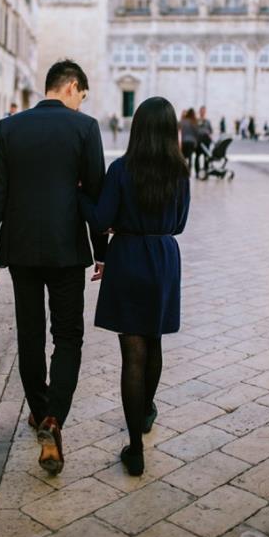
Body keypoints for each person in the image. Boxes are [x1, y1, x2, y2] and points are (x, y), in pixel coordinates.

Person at [0, 59, 107, 475]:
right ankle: (54, 418)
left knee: (30, 334)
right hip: (68, 249)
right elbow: (95, 194)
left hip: (21, 250)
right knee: (68, 336)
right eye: (81, 97)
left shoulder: (10, 127)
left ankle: (38, 411)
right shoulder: (85, 129)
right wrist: (100, 249)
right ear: (71, 87)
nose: (80, 105)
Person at [79, 97, 190, 476]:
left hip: (127, 256)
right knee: (154, 340)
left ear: (137, 128)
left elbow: (101, 217)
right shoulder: (179, 171)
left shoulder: (122, 169)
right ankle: (146, 411)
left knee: (133, 354)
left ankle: (135, 448)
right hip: (162, 257)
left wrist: (81, 194)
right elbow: (180, 224)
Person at [178, 108, 198, 174]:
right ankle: (189, 171)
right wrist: (196, 142)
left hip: (184, 141)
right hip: (191, 142)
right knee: (190, 157)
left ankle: (182, 170)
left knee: (183, 157)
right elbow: (196, 133)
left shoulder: (183, 121)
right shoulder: (194, 122)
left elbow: (177, 127)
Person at [196, 105, 213, 178]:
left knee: (206, 157)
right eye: (201, 111)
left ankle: (206, 172)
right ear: (199, 111)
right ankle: (197, 172)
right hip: (199, 140)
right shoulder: (196, 120)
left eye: (204, 111)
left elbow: (211, 130)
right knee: (197, 156)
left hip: (206, 141)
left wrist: (209, 135)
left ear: (205, 112)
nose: (202, 112)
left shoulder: (208, 121)